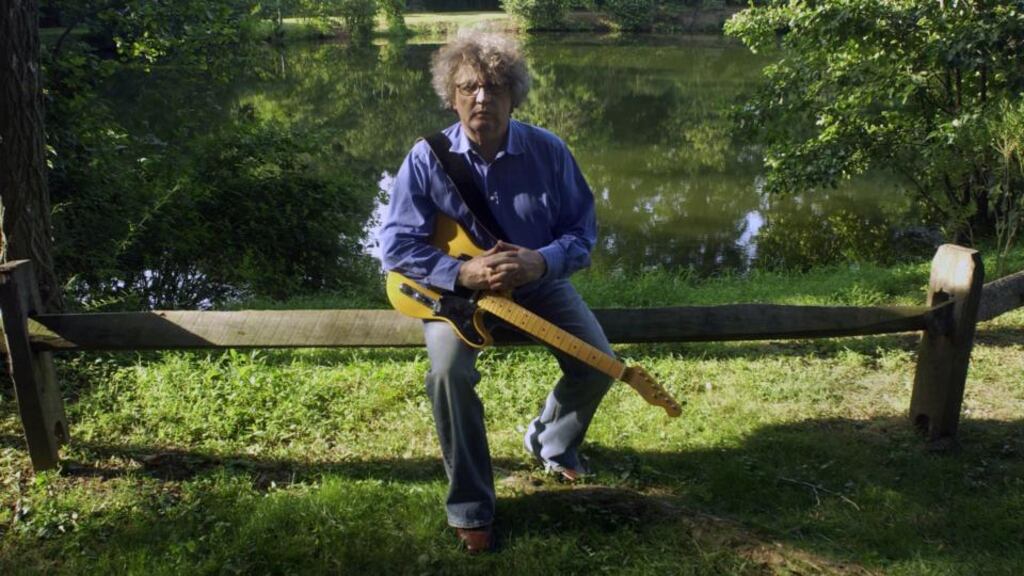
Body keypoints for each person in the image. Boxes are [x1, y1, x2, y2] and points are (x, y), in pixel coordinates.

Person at [378, 31, 614, 554]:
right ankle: (470, 506)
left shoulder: (550, 151)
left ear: (514, 95)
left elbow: (583, 234)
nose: (482, 98)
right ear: (452, 94)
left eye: (495, 87)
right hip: (459, 298)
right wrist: (460, 275)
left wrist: (541, 261)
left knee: (598, 362)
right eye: (469, 88)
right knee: (447, 374)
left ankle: (550, 442)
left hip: (537, 286)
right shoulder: (426, 158)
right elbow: (395, 245)